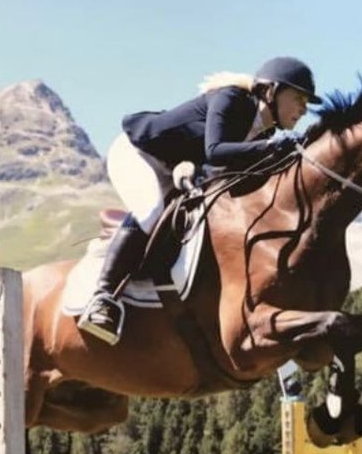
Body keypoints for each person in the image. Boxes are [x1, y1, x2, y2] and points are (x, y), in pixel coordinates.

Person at [77, 56, 322, 345]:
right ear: (272, 91)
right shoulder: (232, 99)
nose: (304, 110)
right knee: (152, 209)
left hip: (175, 166)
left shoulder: (264, 131)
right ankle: (102, 298)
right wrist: (273, 147)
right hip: (138, 153)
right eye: (299, 99)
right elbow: (216, 151)